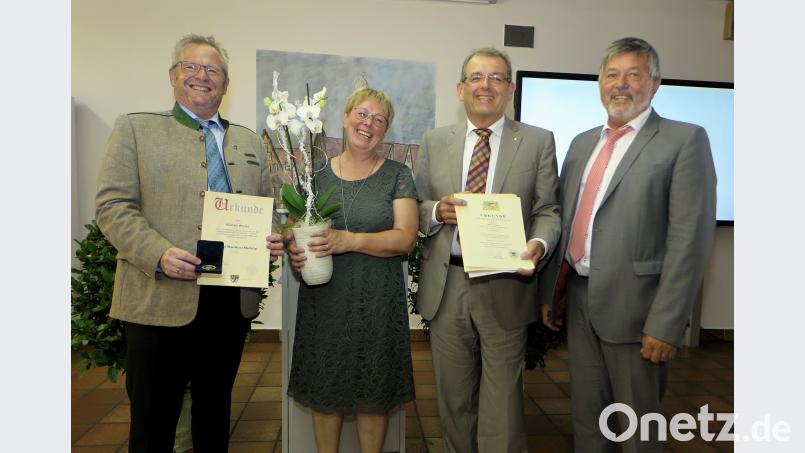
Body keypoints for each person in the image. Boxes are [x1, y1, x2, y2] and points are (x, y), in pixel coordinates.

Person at [95, 34, 285, 452]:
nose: (202, 76)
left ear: (225, 83)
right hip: (159, 296)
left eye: (212, 69)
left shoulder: (250, 141)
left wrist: (271, 235)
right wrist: (157, 254)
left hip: (229, 301)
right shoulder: (136, 128)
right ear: (173, 74)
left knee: (214, 416)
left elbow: (267, 207)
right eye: (191, 67)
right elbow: (112, 207)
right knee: (152, 422)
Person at [539, 37, 717, 452]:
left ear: (655, 84)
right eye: (612, 75)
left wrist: (666, 323)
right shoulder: (583, 142)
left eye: (634, 75)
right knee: (587, 419)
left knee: (637, 429)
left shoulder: (684, 140)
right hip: (580, 301)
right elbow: (567, 224)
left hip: (640, 313)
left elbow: (689, 241)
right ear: (599, 82)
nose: (621, 85)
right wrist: (552, 292)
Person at [413, 47, 561, 453]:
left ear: (510, 89)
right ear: (461, 88)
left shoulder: (537, 141)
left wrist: (539, 244)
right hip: (448, 283)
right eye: (477, 77)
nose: (486, 86)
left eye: (497, 78)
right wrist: (435, 212)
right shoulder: (434, 140)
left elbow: (548, 210)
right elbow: (416, 203)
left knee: (504, 401)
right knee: (454, 398)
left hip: (506, 282)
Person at [285, 87, 419, 453]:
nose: (368, 124)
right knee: (325, 390)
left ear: (385, 130)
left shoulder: (397, 175)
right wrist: (295, 250)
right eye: (361, 114)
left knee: (372, 393)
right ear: (344, 119)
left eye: (379, 120)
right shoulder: (315, 177)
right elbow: (295, 230)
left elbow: (406, 238)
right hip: (325, 302)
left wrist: (350, 240)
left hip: (377, 302)